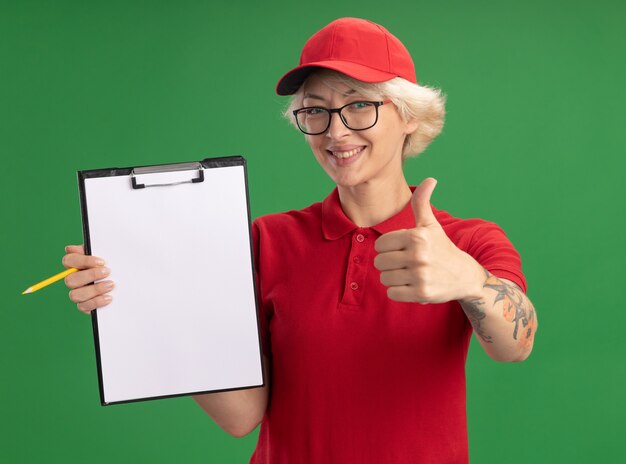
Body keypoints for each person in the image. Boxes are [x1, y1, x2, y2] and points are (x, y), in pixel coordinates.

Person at [62, 17, 537, 464]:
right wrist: (147, 298)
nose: (335, 130)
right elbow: (242, 416)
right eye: (316, 110)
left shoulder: (468, 240)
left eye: (358, 105)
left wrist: (471, 283)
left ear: (409, 115)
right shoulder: (267, 240)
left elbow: (515, 345)